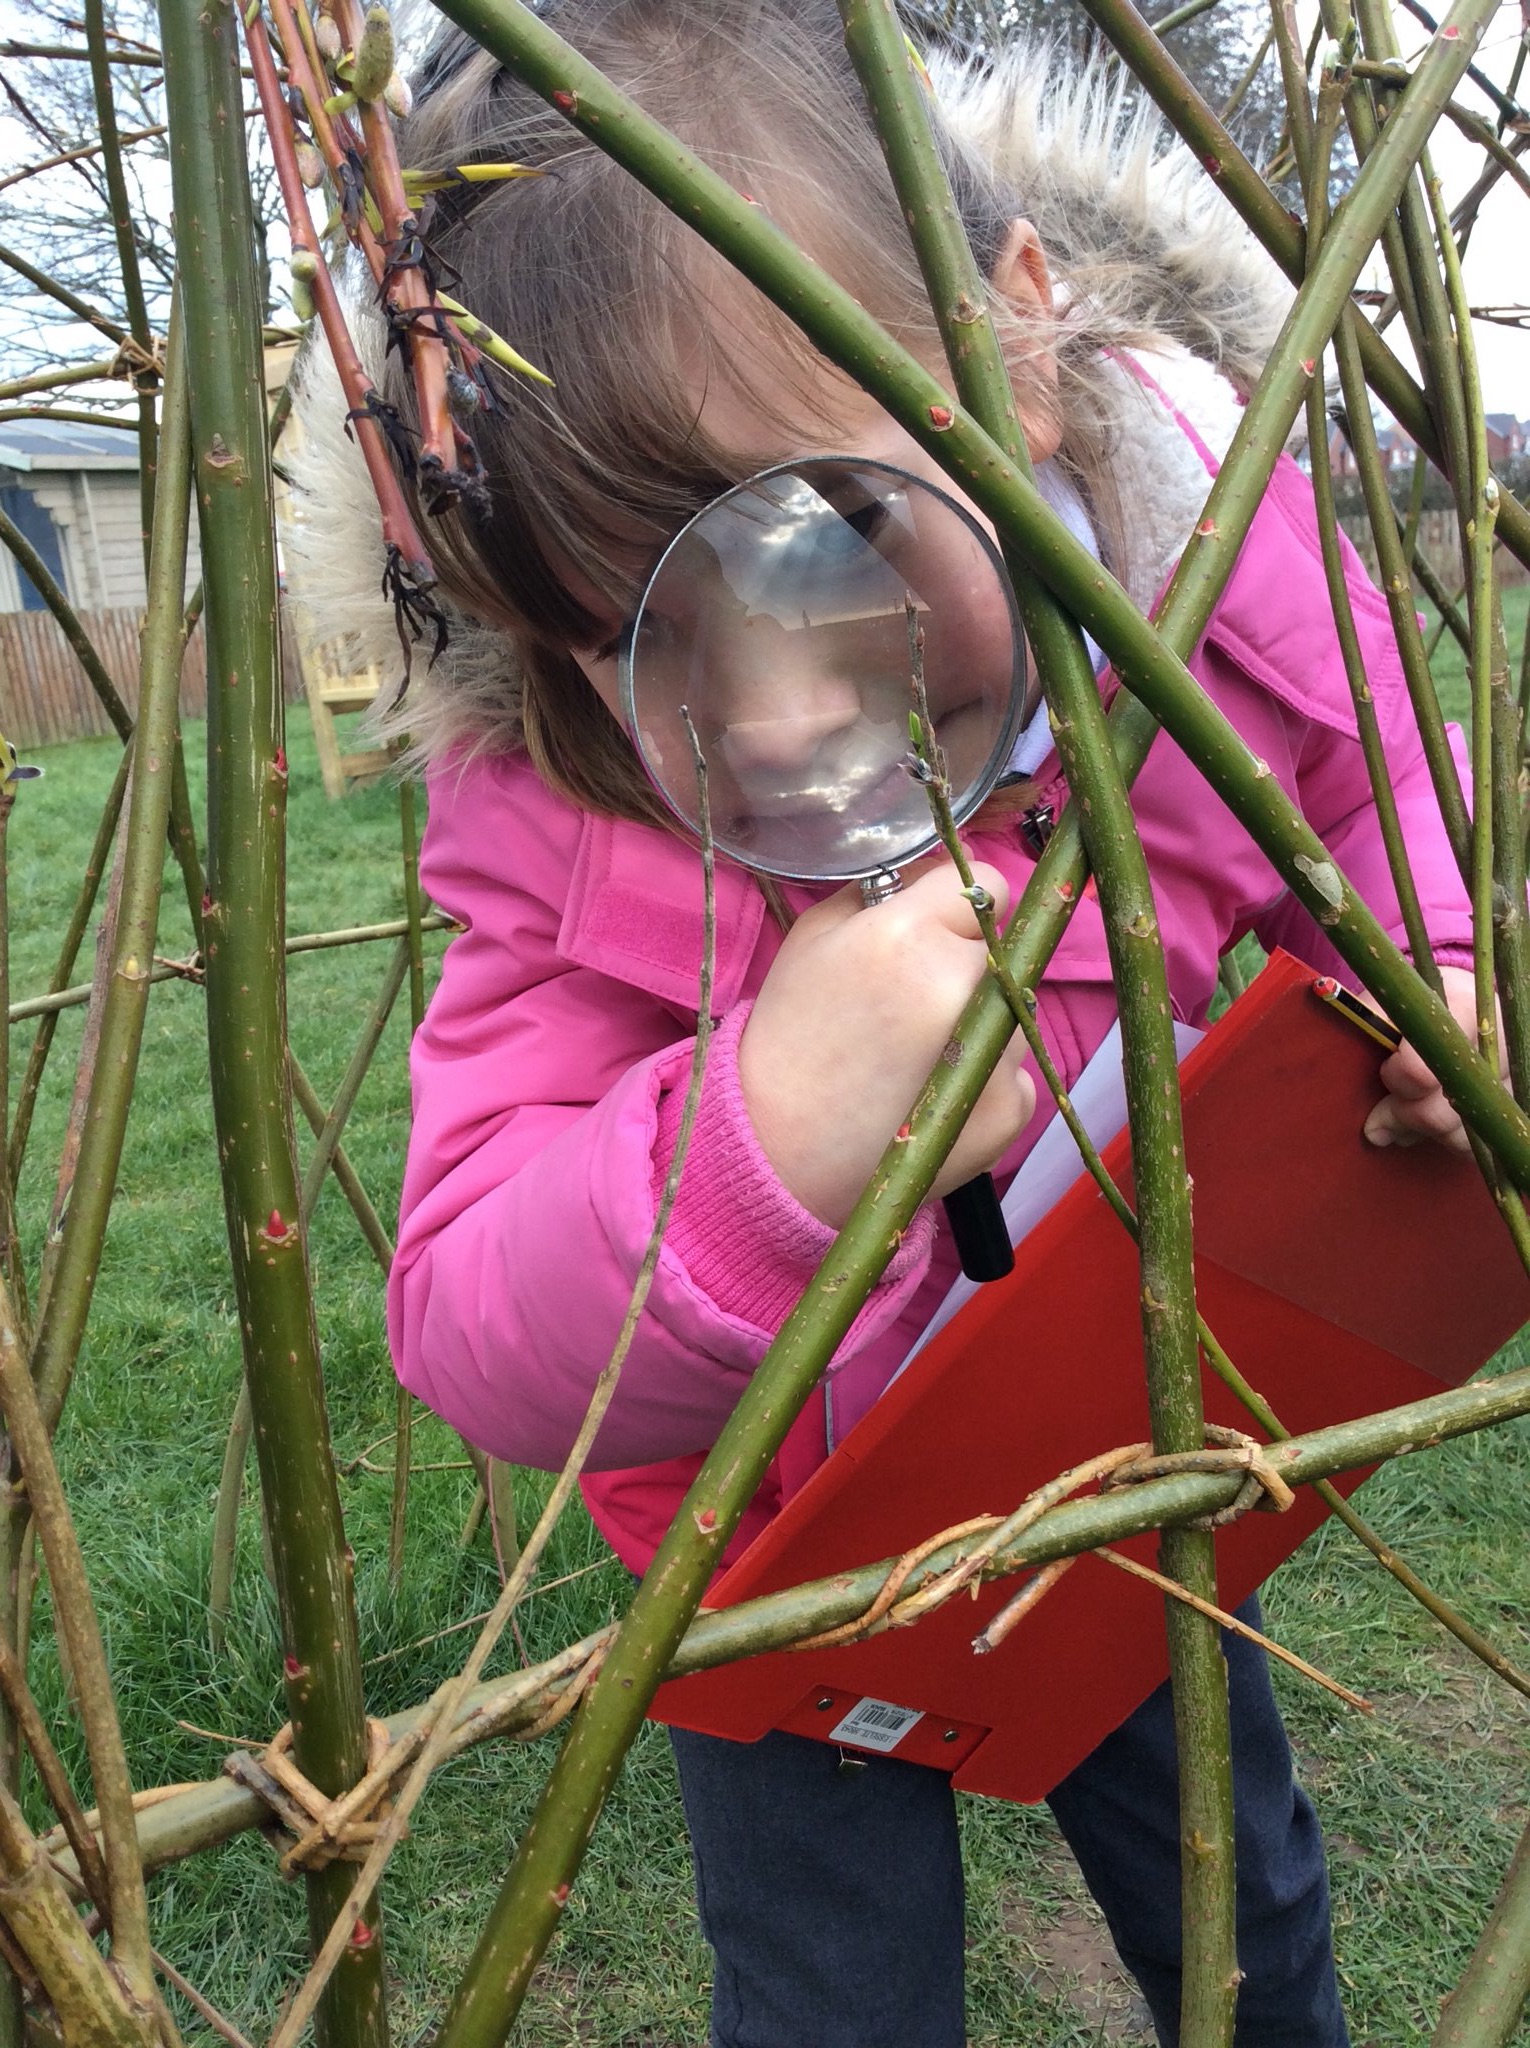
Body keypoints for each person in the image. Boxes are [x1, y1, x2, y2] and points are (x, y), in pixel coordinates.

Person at [287, 5, 1481, 2041]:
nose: (758, 711)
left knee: (1242, 1884)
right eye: (621, 624)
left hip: (1133, 1422)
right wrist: (744, 1149)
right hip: (769, 1542)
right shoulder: (561, 807)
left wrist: (1438, 974)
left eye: (822, 536)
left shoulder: (1211, 560)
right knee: (833, 1991)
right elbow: (468, 1309)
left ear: (1014, 336)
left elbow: (1364, 793)